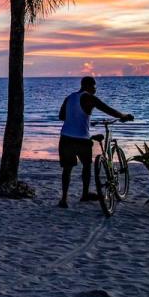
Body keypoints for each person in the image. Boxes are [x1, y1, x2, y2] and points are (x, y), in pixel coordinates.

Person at [57, 76, 133, 208]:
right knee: (86, 166)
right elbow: (106, 108)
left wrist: (77, 117)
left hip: (65, 138)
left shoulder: (69, 97)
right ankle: (85, 194)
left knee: (67, 170)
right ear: (88, 86)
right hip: (81, 139)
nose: (95, 89)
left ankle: (64, 199)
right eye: (94, 86)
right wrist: (123, 116)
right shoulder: (89, 97)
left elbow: (61, 116)